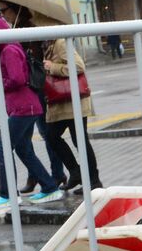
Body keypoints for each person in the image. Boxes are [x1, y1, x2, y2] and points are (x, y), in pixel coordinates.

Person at [0, 8, 62, 209]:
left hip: (23, 107)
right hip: (27, 107)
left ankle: (8, 194)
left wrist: (1, 81)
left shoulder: (8, 50)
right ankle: (50, 187)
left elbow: (17, 79)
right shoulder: (11, 47)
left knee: (3, 148)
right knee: (24, 149)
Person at [40, 35, 104, 194]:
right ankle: (77, 173)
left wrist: (52, 66)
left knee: (78, 140)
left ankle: (93, 180)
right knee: (53, 137)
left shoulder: (60, 42)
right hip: (63, 102)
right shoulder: (47, 43)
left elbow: (78, 66)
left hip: (74, 101)